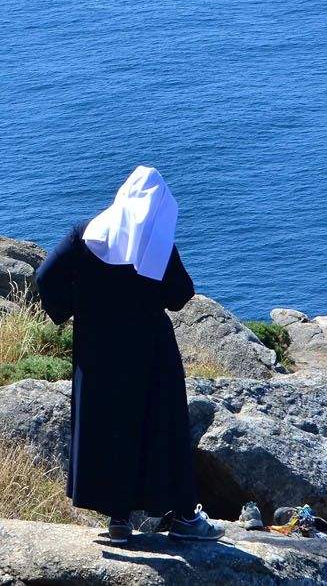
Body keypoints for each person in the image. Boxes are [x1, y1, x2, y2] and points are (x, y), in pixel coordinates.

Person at [34, 166, 224, 546]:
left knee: (108, 430)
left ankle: (119, 520)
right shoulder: (155, 245)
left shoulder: (84, 234)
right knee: (163, 428)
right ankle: (185, 516)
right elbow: (180, 294)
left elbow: (45, 278)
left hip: (97, 352)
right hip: (151, 356)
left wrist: (77, 308)